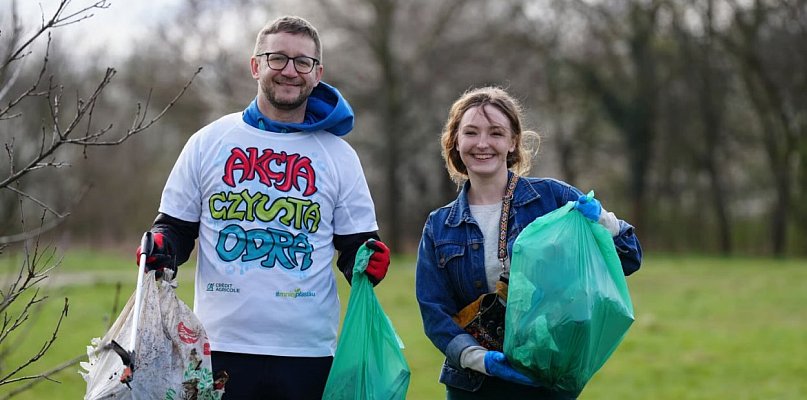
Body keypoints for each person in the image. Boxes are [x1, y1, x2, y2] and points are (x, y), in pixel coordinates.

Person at [134, 16, 390, 399]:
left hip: (308, 351)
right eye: (277, 58)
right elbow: (176, 229)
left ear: (317, 74)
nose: (290, 70)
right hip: (217, 345)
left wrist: (369, 262)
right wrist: (160, 246)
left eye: (302, 62)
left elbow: (357, 245)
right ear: (255, 66)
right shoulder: (208, 142)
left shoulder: (339, 155)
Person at [415, 86, 642, 399]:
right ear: (455, 140)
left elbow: (629, 258)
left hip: (546, 377)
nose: (482, 143)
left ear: (513, 142)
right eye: (471, 132)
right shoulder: (439, 226)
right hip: (471, 385)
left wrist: (604, 221)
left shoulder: (553, 199)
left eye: (496, 133)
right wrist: (479, 359)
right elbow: (434, 312)